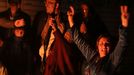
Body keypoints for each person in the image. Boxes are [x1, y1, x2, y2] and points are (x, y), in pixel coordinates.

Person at [66, 5, 128, 75]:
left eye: (107, 44)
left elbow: (122, 44)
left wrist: (124, 26)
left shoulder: (112, 60)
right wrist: (70, 20)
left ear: (111, 47)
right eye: (101, 44)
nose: (104, 46)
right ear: (97, 46)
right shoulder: (93, 56)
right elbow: (79, 41)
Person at [32, 0, 78, 75]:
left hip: (54, 66)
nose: (46, 5)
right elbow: (33, 37)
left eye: (50, 3)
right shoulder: (40, 17)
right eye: (45, 2)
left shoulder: (65, 20)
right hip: (38, 63)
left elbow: (69, 45)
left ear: (57, 5)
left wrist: (61, 33)